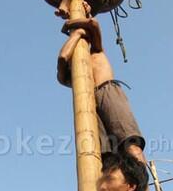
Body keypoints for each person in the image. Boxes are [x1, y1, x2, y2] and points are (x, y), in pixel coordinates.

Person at [57, 14, 146, 164]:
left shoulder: (96, 52)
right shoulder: (69, 76)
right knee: (106, 160)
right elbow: (63, 58)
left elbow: (93, 23)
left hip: (107, 91)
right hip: (87, 106)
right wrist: (77, 34)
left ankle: (141, 185)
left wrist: (71, 23)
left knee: (131, 146)